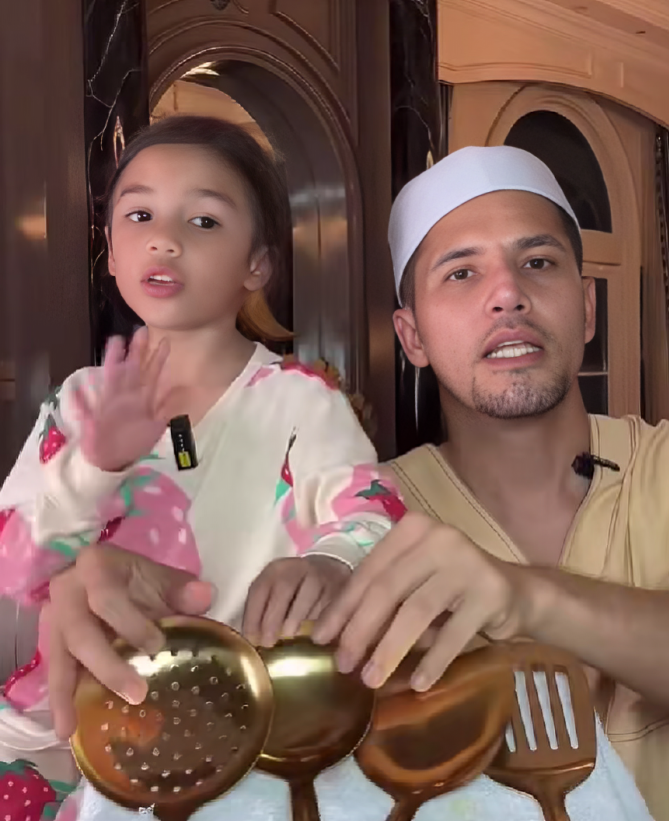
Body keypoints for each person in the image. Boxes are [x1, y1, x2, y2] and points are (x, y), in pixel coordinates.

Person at [0, 115, 404, 820]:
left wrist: (330, 563)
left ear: (257, 265)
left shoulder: (301, 400)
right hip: (62, 732)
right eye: (140, 215)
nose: (165, 238)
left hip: (233, 735)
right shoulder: (78, 400)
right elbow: (15, 564)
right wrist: (94, 467)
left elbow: (372, 513)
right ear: (112, 253)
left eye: (205, 220)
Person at [313, 145, 669, 821]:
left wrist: (525, 596)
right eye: (461, 273)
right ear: (412, 337)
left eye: (537, 262)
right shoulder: (359, 521)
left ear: (588, 308)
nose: (508, 292)